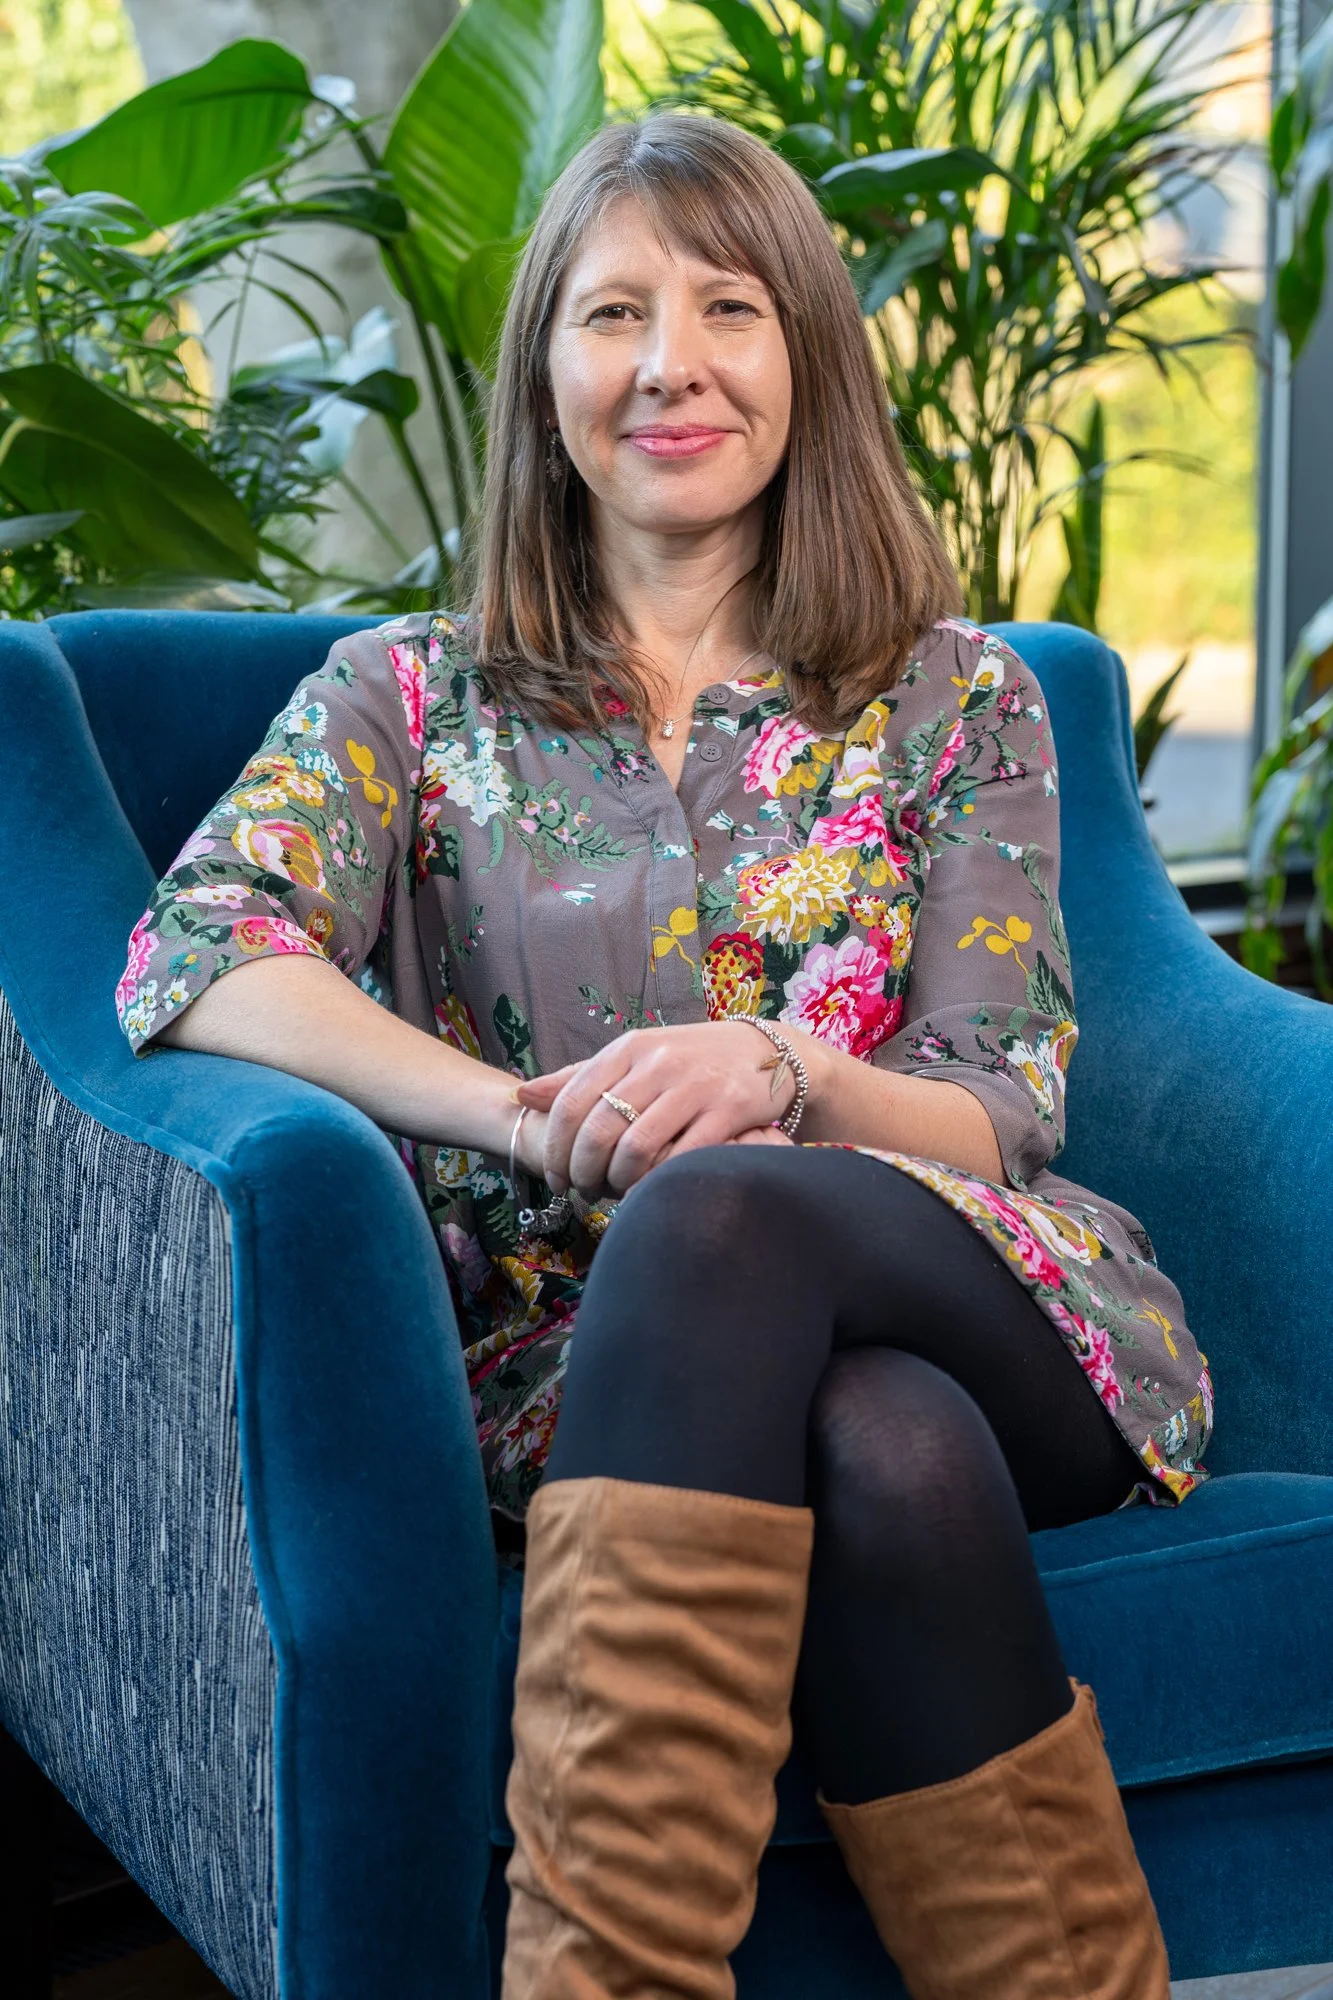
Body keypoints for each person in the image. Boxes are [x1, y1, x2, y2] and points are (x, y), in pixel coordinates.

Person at [116, 112, 1211, 2000]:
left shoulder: (960, 695)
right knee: (885, 1451)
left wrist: (778, 1078)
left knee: (732, 1223)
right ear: (547, 380)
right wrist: (535, 1124)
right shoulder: (406, 697)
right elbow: (201, 953)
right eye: (611, 313)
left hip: (979, 1281)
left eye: (727, 306)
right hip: (596, 1364)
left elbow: (1000, 1096)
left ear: (805, 359)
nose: (669, 362)